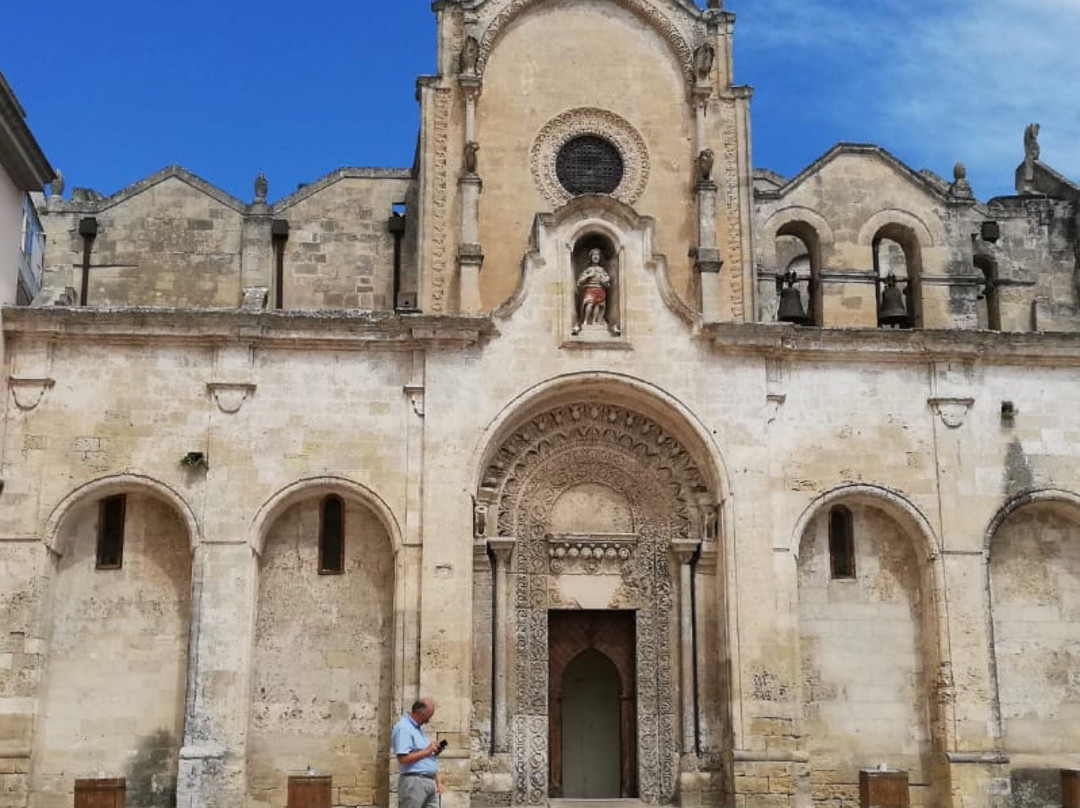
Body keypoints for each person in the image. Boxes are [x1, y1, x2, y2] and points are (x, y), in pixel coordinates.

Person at [393, 698, 444, 808]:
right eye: (429, 716)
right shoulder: (404, 728)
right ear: (420, 713)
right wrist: (427, 751)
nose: (429, 720)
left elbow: (425, 755)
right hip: (414, 781)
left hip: (429, 781)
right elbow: (403, 759)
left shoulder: (419, 730)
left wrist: (438, 782)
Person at [572, 248, 611, 334]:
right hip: (590, 288)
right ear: (591, 257)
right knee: (589, 304)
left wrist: (603, 280)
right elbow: (580, 281)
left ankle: (595, 322)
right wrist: (589, 276)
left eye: (597, 255)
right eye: (594, 255)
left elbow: (607, 281)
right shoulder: (588, 269)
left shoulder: (602, 270)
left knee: (598, 305)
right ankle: (585, 321)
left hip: (600, 289)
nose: (596, 257)